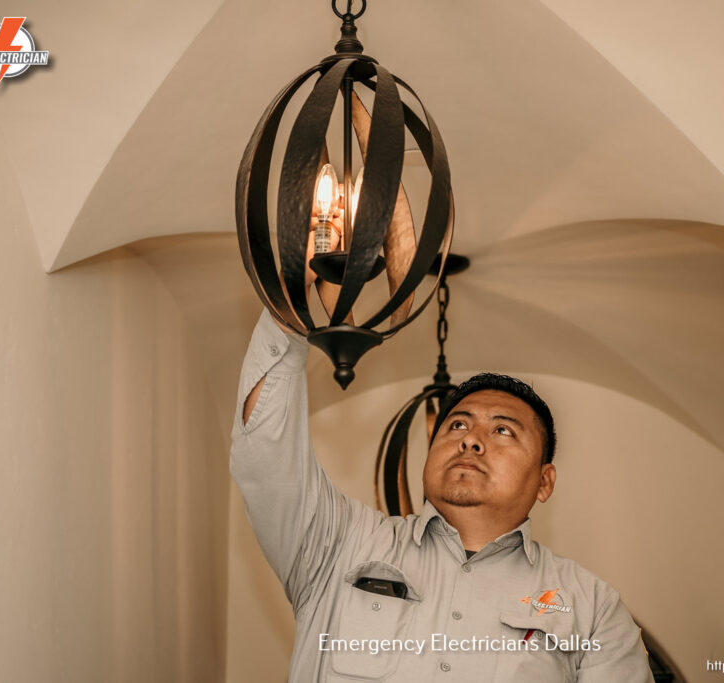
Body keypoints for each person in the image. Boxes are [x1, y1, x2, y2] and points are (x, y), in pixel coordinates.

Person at [230, 203, 654, 682]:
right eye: (456, 425)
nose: (471, 440)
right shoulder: (341, 545)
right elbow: (265, 451)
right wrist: (291, 293)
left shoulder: (592, 609)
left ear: (545, 481)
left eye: (503, 430)